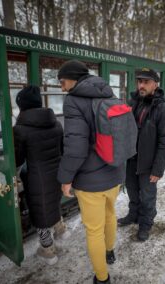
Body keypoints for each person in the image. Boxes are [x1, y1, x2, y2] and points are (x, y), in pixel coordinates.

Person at [57, 60, 124, 284]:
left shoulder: (73, 101)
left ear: (73, 79)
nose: (61, 87)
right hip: (114, 171)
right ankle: (109, 251)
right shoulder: (109, 94)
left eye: (62, 81)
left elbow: (76, 148)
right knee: (110, 214)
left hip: (89, 179)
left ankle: (102, 278)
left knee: (94, 230)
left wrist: (65, 178)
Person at [13, 85, 69, 266]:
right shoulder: (56, 123)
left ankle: (48, 250)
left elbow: (17, 159)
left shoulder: (20, 130)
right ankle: (60, 229)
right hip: (57, 174)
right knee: (52, 202)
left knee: (39, 211)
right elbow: (62, 150)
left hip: (36, 178)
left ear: (23, 106)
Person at [117, 68, 165, 242]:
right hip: (132, 159)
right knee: (133, 191)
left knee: (147, 196)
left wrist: (158, 169)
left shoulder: (163, 108)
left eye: (146, 82)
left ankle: (146, 224)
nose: (141, 85)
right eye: (139, 81)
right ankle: (133, 215)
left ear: (155, 84)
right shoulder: (134, 102)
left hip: (148, 163)